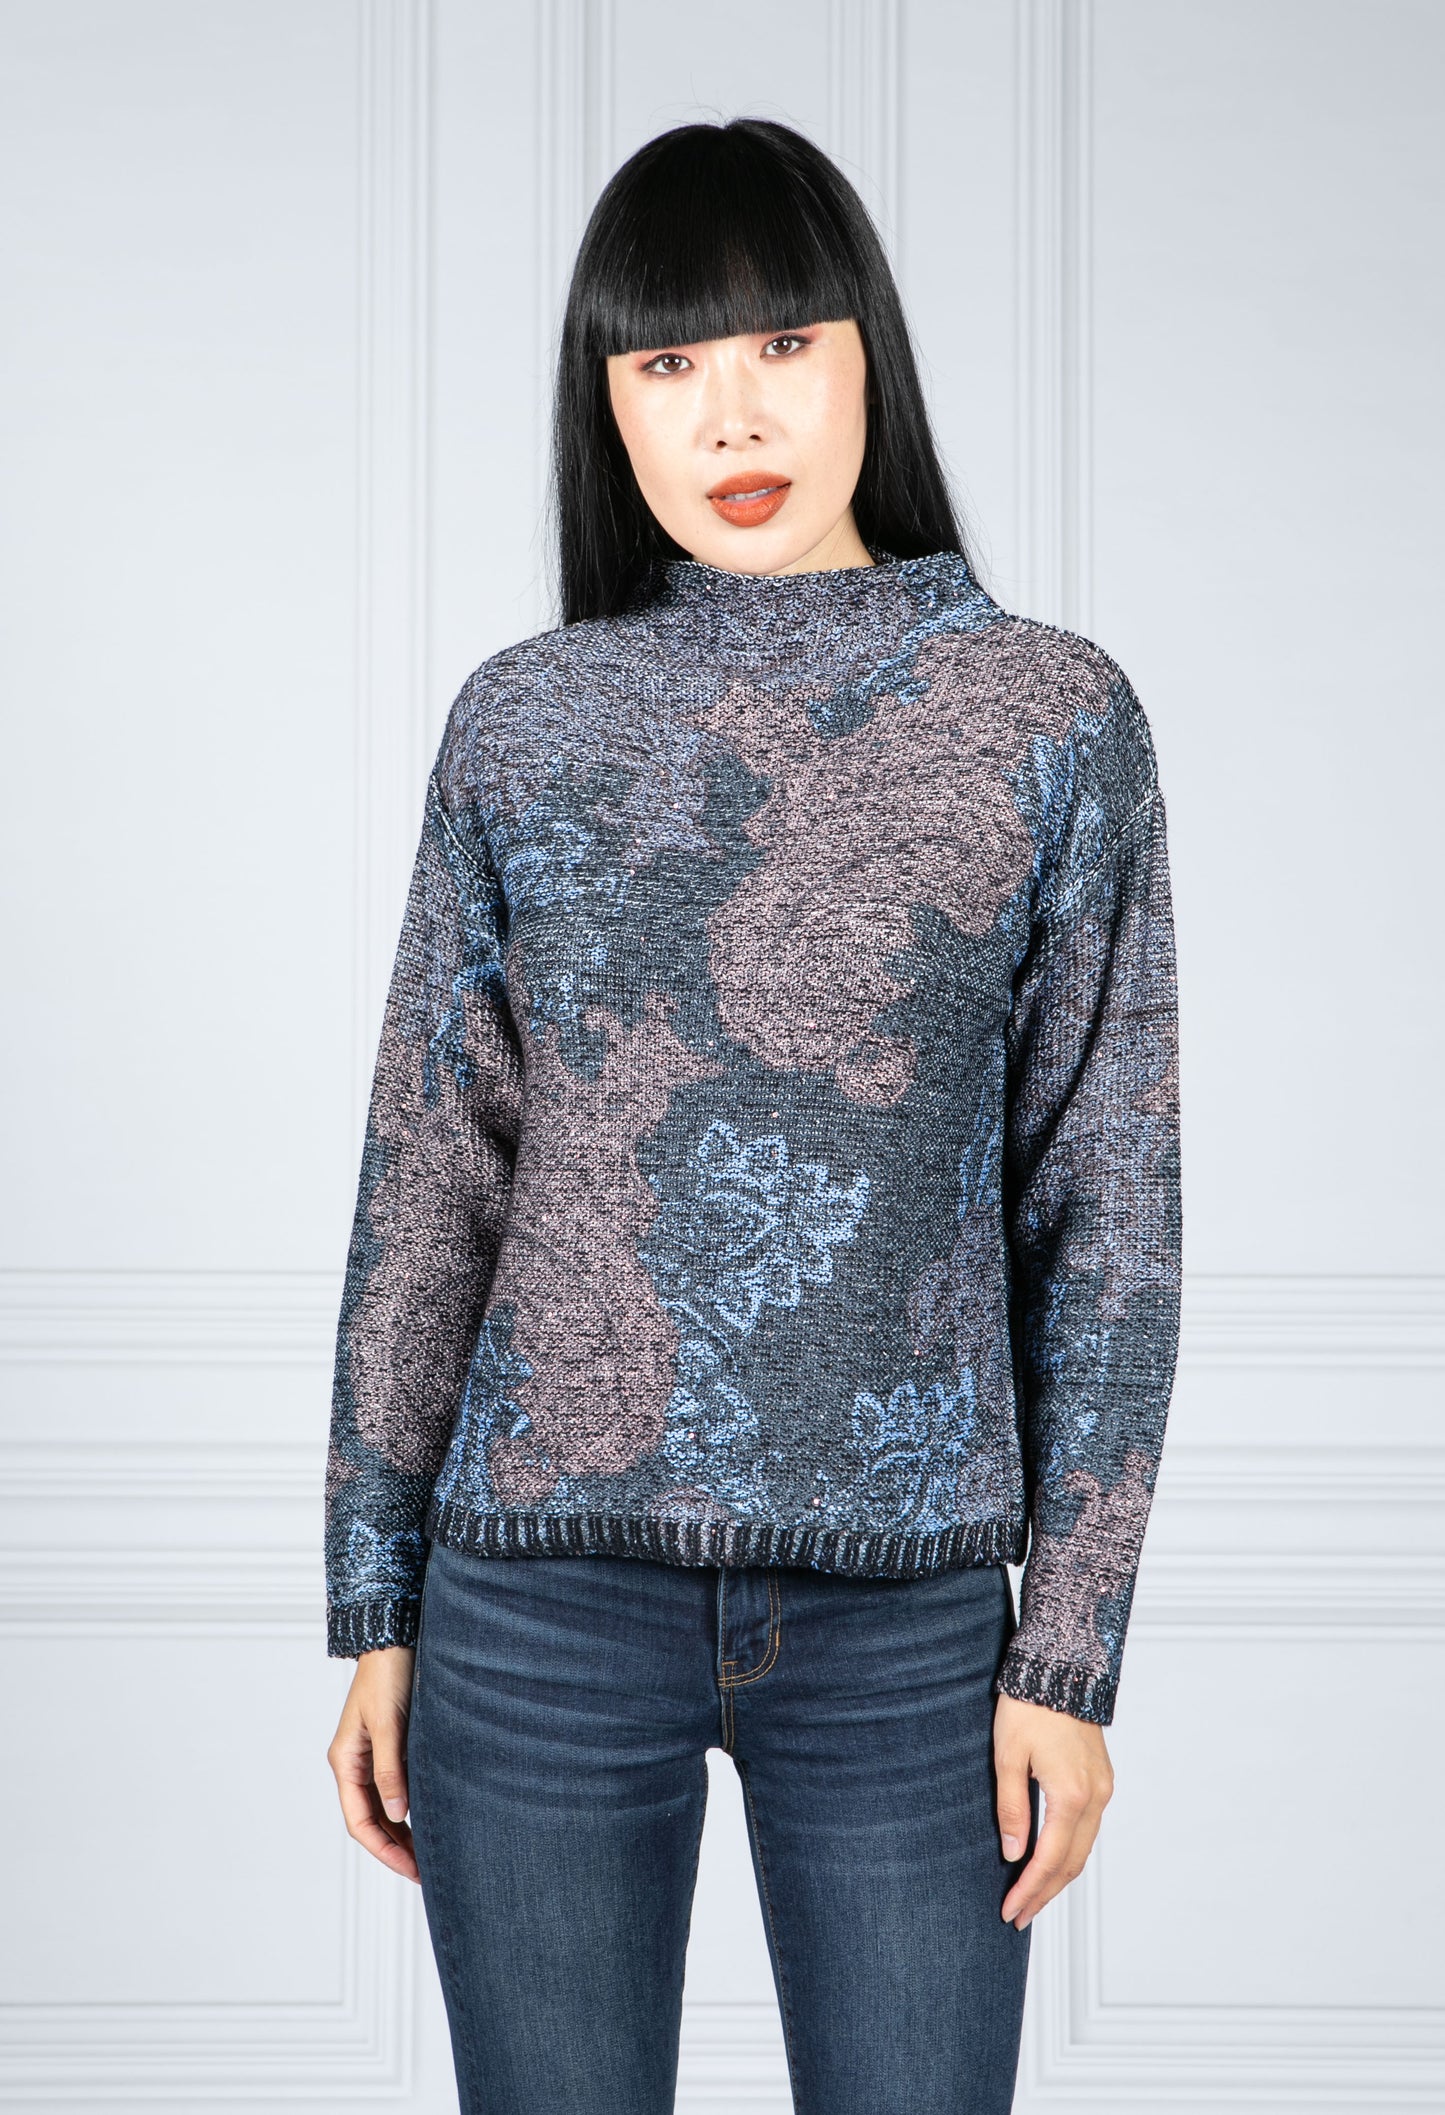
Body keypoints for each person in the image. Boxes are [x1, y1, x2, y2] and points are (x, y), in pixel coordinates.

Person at [323, 116, 1182, 2115]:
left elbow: (1110, 1200)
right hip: (532, 1600)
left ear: (868, 352)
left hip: (907, 1630)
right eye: (667, 362)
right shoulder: (521, 719)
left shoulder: (1052, 716)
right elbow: (436, 1165)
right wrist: (377, 1599)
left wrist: (1068, 1652)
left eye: (784, 342)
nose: (733, 413)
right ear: (606, 401)